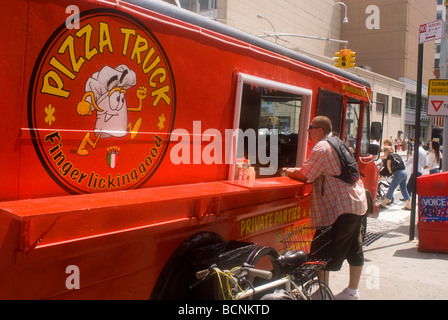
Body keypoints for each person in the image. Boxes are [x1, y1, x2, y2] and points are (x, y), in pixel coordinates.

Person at [284, 116, 367, 300]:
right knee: (355, 247)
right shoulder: (338, 141)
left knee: (321, 247)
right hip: (356, 202)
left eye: (310, 128)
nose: (307, 132)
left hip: (341, 208)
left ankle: (322, 292)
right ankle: (352, 292)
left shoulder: (322, 146)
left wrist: (288, 171)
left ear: (320, 129)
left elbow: (305, 175)